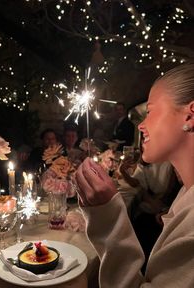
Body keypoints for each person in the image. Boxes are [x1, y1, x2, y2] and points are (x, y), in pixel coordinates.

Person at [76, 61, 194, 287]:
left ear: (189, 116)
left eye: (149, 112)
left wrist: (107, 216)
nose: (141, 126)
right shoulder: (185, 195)